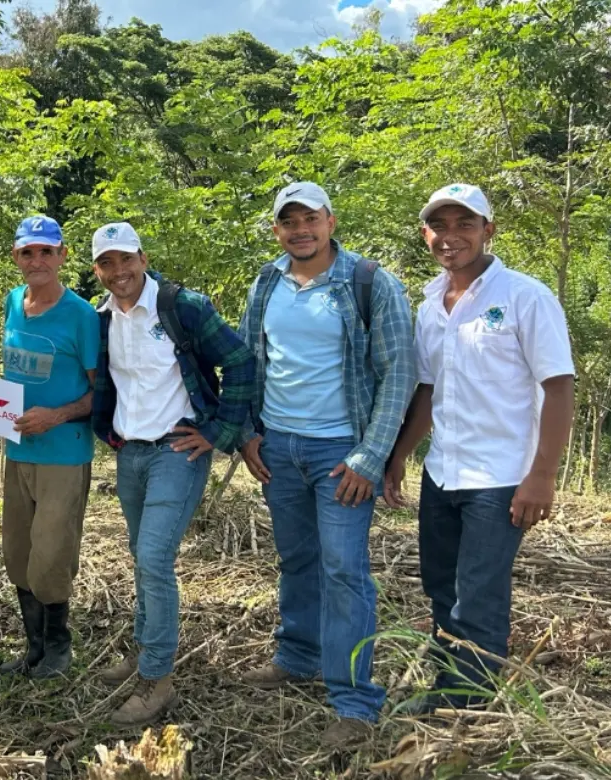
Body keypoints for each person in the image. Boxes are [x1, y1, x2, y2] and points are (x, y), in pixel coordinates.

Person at [237, 183, 416, 749]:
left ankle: (354, 700)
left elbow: (399, 375)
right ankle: (297, 654)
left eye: (309, 218)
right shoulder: (267, 282)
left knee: (344, 571)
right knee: (296, 558)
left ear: (330, 221)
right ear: (276, 230)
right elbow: (246, 359)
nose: (299, 230)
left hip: (341, 454)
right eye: (288, 221)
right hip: (279, 448)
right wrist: (246, 435)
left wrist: (371, 455)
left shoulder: (371, 282)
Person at [384, 184, 574, 714]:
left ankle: (468, 704)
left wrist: (542, 475)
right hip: (443, 470)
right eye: (439, 226)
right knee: (441, 583)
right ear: (426, 235)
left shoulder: (523, 296)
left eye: (464, 224)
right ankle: (452, 682)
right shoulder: (428, 306)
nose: (451, 237)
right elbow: (429, 390)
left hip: (502, 474)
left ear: (488, 230)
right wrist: (400, 455)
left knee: (478, 591)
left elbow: (558, 387)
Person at [89, 222, 250, 725]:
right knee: (141, 555)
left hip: (177, 451)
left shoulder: (183, 308)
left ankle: (158, 679)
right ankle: (143, 646)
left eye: (126, 260)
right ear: (97, 270)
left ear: (143, 256)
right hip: (130, 454)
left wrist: (220, 431)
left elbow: (241, 360)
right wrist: (107, 430)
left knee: (155, 557)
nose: (119, 272)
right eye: (107, 263)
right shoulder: (101, 320)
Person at [0, 215, 100, 680]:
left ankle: (60, 646)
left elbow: (104, 394)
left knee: (52, 554)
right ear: (16, 257)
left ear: (62, 255)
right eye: (27, 252)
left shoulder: (81, 315)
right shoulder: (13, 303)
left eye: (46, 251)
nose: (36, 260)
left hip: (63, 453)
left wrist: (56, 415)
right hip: (17, 451)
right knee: (18, 553)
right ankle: (34, 646)